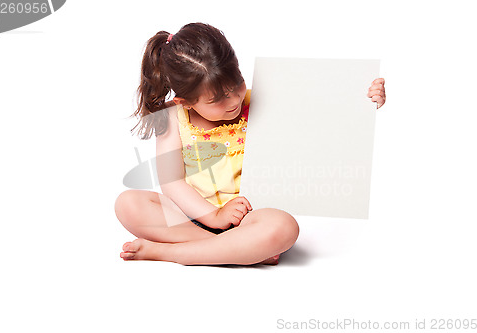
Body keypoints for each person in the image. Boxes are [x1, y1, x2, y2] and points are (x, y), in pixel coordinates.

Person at [114, 23, 386, 265]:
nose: (233, 101)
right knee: (128, 203)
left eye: (237, 84)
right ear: (186, 101)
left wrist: (363, 100)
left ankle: (173, 253)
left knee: (283, 227)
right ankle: (228, 250)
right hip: (196, 219)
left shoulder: (261, 102)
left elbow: (318, 117)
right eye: (217, 99)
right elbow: (172, 183)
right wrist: (214, 216)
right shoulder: (174, 116)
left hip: (252, 220)